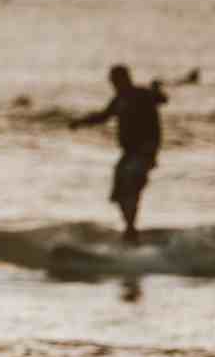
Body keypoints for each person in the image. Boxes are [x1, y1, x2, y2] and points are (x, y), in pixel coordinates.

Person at [70, 65, 168, 244]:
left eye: (116, 81)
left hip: (145, 151)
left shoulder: (142, 94)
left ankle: (131, 231)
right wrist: (80, 122)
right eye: (112, 82)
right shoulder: (119, 99)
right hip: (129, 153)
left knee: (132, 184)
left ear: (125, 79)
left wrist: (156, 89)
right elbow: (103, 116)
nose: (114, 85)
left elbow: (162, 99)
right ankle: (130, 229)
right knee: (119, 193)